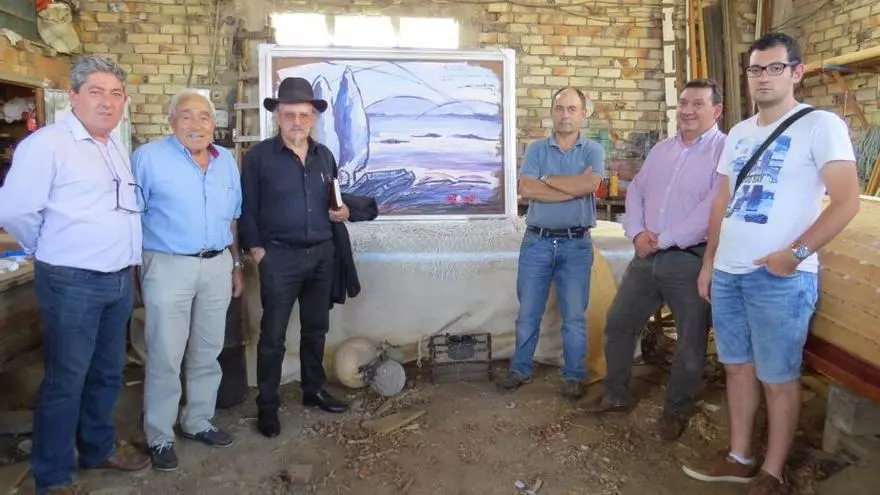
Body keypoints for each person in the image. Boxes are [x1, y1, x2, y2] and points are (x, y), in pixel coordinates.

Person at [681, 32, 859, 495]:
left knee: (778, 377)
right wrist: (709, 262)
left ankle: (773, 471)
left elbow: (847, 201)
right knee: (737, 367)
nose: (763, 77)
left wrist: (793, 255)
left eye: (775, 68)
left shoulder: (820, 125)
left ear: (796, 73)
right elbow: (722, 201)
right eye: (755, 69)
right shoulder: (740, 133)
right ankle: (740, 457)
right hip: (728, 273)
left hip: (778, 278)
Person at [0, 55, 150, 494]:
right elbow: (15, 211)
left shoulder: (112, 145)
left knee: (107, 371)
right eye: (96, 92)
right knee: (66, 379)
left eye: (116, 94)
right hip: (72, 281)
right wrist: (47, 246)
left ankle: (97, 447)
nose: (107, 102)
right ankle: (53, 475)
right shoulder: (47, 144)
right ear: (73, 96)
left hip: (117, 277)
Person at [583, 79, 725, 441]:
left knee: (690, 341)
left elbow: (712, 209)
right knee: (619, 324)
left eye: (698, 104)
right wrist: (635, 234)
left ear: (716, 110)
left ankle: (675, 410)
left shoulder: (724, 152)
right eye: (684, 103)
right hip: (646, 256)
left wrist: (665, 239)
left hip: (690, 258)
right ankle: (615, 395)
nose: (688, 110)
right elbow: (637, 192)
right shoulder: (663, 149)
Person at [131, 89, 244, 471]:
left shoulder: (226, 161)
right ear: (171, 121)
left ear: (214, 123)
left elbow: (232, 217)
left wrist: (236, 264)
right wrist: (134, 270)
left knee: (208, 349)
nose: (196, 124)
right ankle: (159, 435)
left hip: (217, 265)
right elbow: (131, 217)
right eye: (187, 116)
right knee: (165, 353)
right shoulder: (148, 158)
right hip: (168, 265)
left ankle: (197, 420)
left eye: (204, 117)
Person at [240, 77, 350, 438]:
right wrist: (259, 252)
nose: (297, 122)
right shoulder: (258, 157)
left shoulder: (325, 156)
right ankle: (267, 405)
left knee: (316, 329)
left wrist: (341, 212)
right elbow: (247, 209)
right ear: (278, 117)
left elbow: (333, 200)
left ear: (313, 118)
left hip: (321, 256)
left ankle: (313, 390)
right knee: (272, 336)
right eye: (289, 114)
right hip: (280, 259)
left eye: (304, 115)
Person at [496, 87, 606, 400]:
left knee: (574, 316)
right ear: (552, 113)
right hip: (538, 242)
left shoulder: (592, 150)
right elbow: (527, 189)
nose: (565, 115)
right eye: (559, 108)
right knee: (528, 313)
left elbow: (591, 184)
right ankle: (520, 369)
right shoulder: (536, 150)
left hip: (576, 244)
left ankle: (573, 376)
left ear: (583, 114)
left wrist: (548, 180)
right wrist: (572, 189)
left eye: (572, 109)